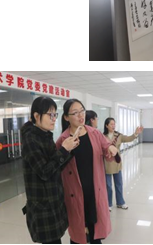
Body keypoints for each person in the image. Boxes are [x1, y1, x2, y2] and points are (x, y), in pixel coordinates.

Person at [57, 99, 118, 245]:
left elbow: (106, 148)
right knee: (78, 235)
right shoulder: (63, 139)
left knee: (95, 233)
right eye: (75, 113)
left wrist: (111, 149)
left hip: (94, 191)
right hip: (75, 194)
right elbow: (56, 165)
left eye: (82, 111)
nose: (80, 115)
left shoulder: (94, 133)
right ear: (66, 117)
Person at [21, 96, 80, 245]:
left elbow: (56, 167)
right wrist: (63, 150)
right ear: (36, 116)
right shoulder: (30, 140)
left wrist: (69, 149)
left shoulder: (45, 136)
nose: (54, 119)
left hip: (53, 201)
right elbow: (44, 171)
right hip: (43, 207)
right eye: (50, 115)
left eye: (55, 114)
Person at [103, 118, 143, 211]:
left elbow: (128, 138)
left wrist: (135, 133)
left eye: (114, 124)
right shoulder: (102, 136)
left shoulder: (118, 135)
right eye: (111, 124)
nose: (113, 126)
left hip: (116, 162)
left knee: (119, 184)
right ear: (106, 125)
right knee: (108, 186)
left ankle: (120, 202)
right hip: (106, 163)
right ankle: (108, 204)